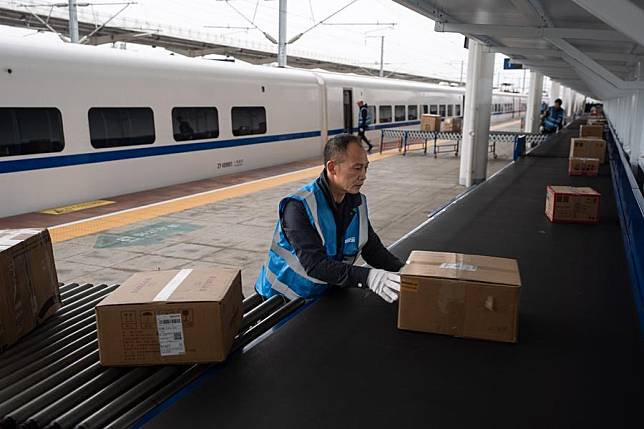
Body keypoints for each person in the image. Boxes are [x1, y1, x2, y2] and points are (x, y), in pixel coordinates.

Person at [255, 133, 404, 303]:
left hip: (322, 296)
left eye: (366, 168)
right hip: (281, 301)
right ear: (332, 168)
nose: (363, 175)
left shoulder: (357, 203)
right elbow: (315, 265)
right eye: (357, 168)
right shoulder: (299, 206)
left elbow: (372, 249)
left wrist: (403, 269)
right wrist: (368, 277)